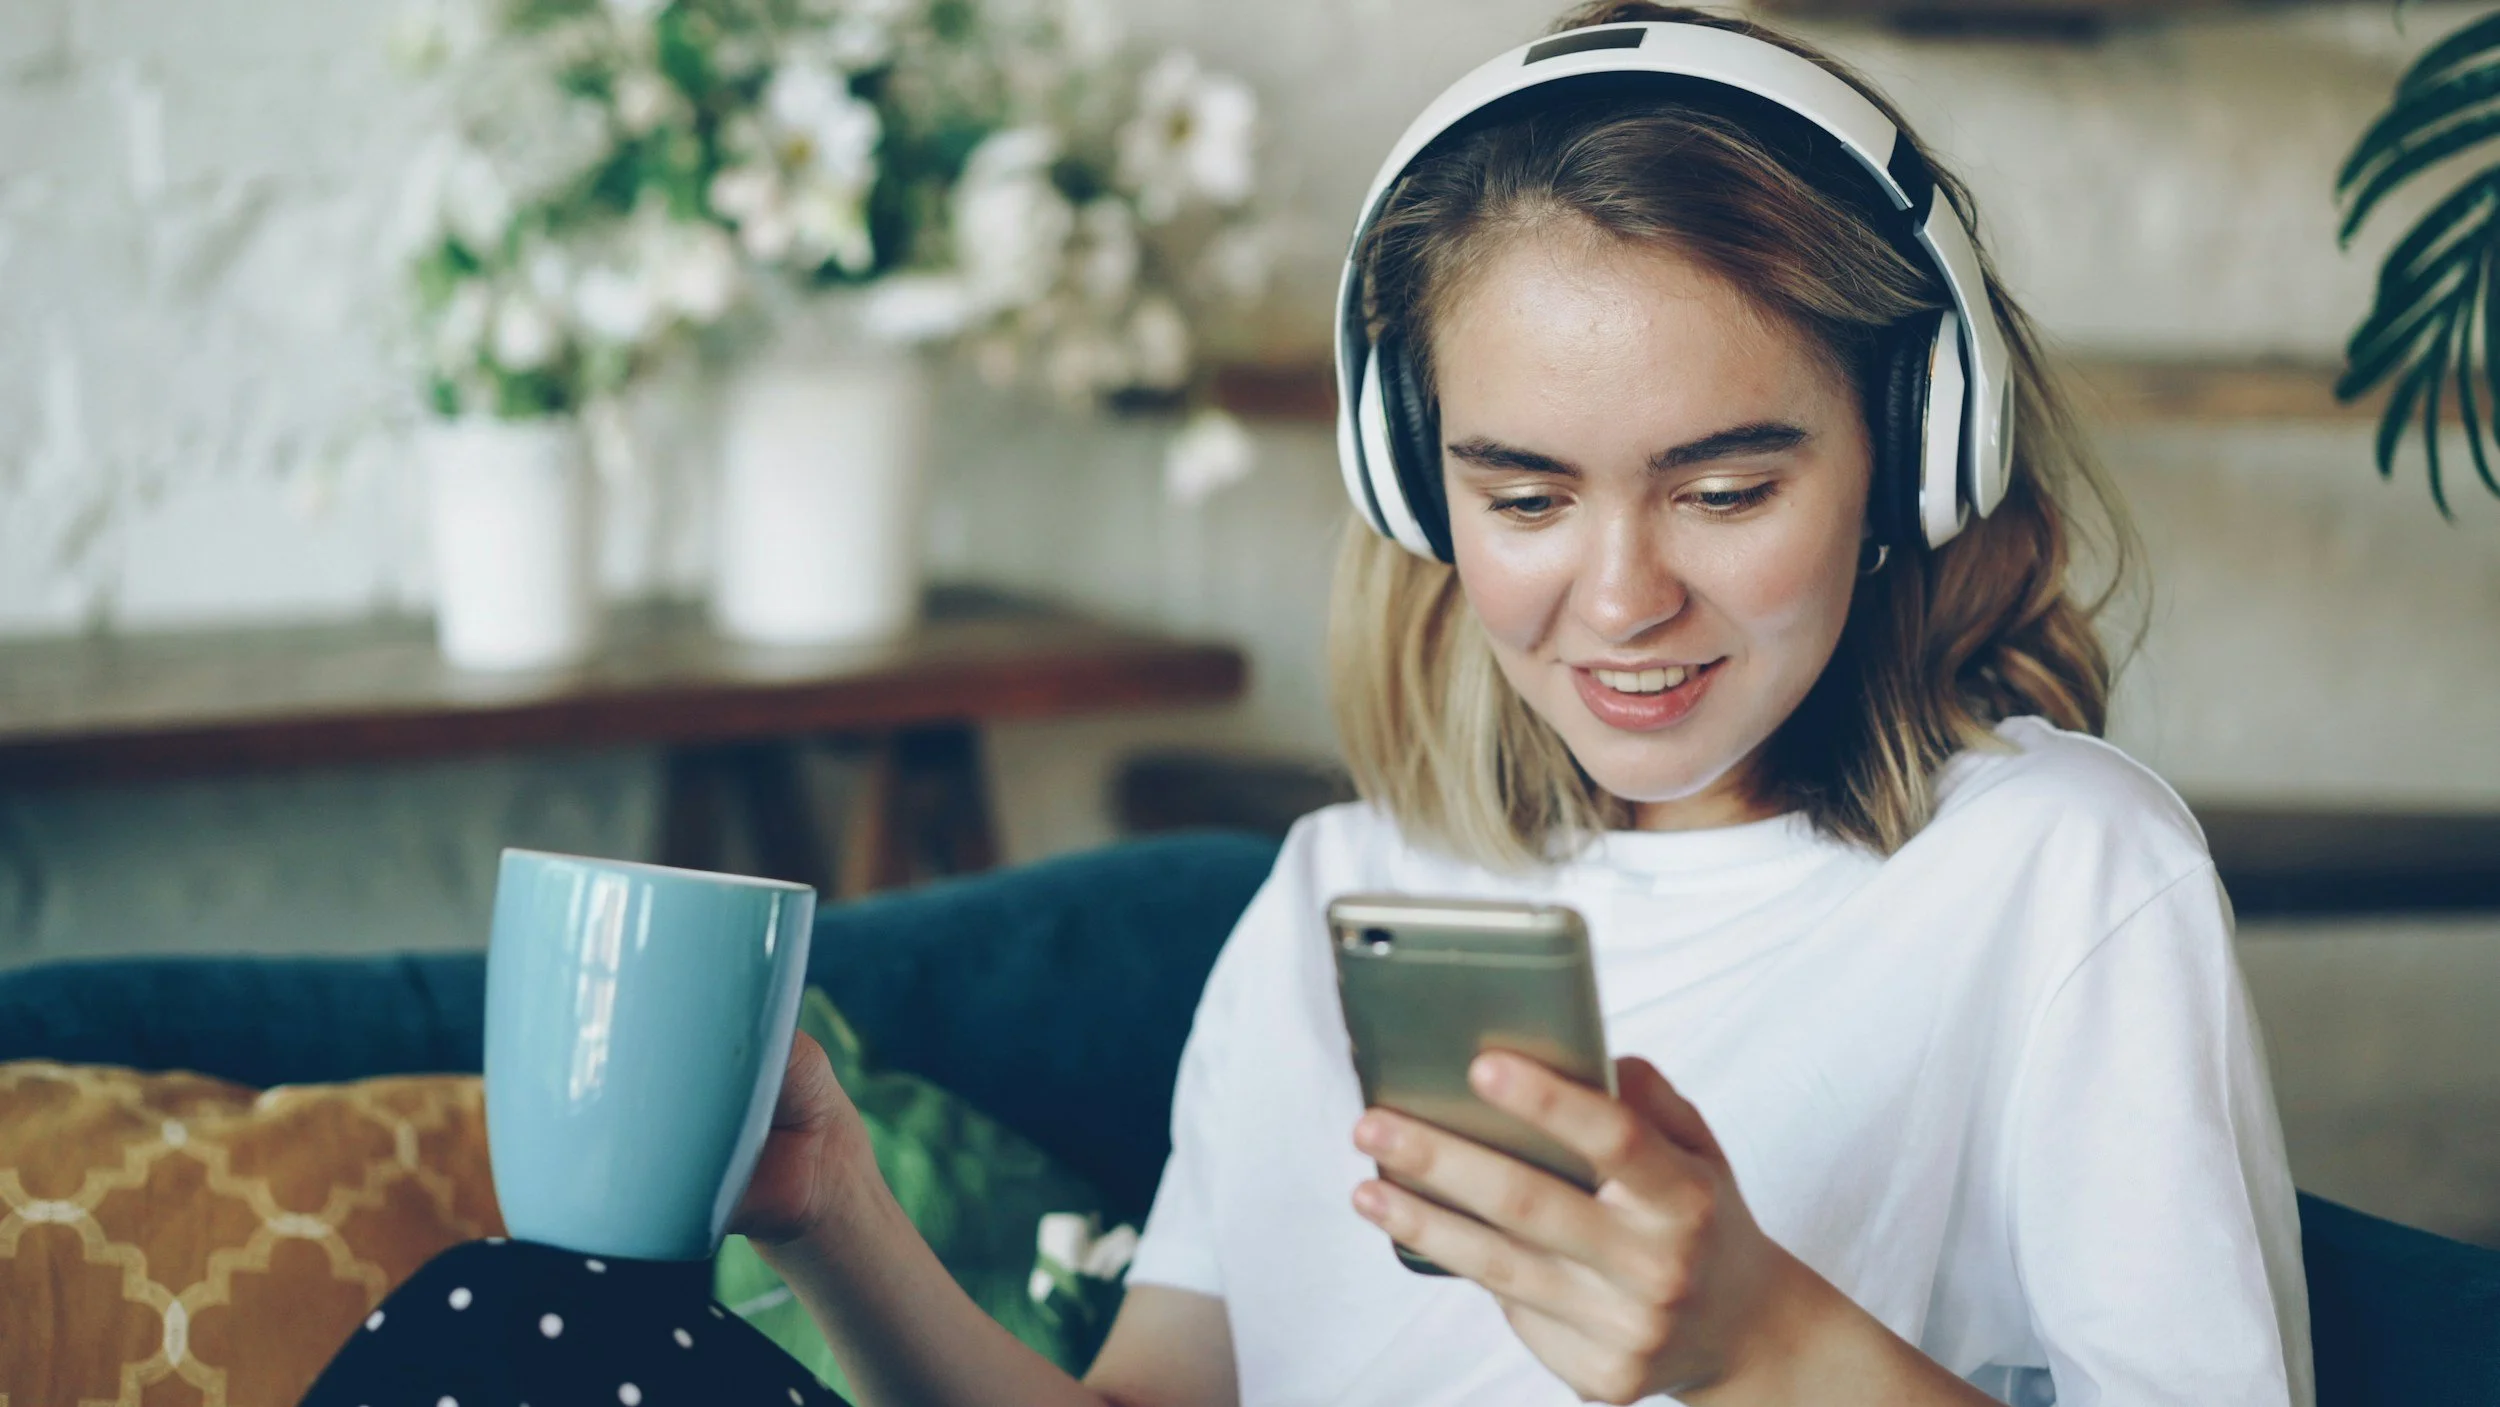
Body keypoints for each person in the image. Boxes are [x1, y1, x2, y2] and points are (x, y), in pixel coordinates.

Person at [304, 5, 2312, 1405]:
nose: (1615, 594)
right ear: (1411, 481)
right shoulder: (1341, 891)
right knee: (516, 1319)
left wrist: (1754, 1341)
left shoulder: (2056, 872)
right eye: (1520, 494)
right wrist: (825, 1205)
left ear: (1912, 454)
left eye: (1725, 486)